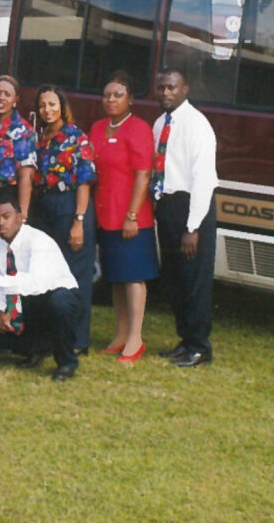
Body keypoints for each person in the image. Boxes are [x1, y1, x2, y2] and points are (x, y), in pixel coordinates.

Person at [0, 196, 85, 381]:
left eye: (7, 216)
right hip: (29, 300)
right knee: (9, 310)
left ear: (20, 217)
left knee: (58, 303)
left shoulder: (38, 241)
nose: (1, 222)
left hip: (61, 296)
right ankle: (35, 350)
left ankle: (66, 362)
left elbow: (35, 284)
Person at [89, 70, 159, 363]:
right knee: (116, 276)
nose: (111, 99)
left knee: (133, 278)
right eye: (107, 95)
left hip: (132, 217)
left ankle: (135, 338)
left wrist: (132, 214)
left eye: (118, 95)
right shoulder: (97, 128)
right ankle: (120, 334)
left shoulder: (139, 128)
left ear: (130, 100)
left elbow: (144, 175)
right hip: (105, 214)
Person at [152, 68, 219, 367]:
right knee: (176, 279)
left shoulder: (197, 125)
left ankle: (200, 347)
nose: (166, 92)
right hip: (167, 207)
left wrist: (192, 227)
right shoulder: (159, 125)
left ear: (185, 90)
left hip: (192, 209)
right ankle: (185, 339)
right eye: (162, 87)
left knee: (195, 281)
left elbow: (203, 178)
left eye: (172, 88)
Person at [32, 84, 98, 355]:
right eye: (42, 105)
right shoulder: (43, 138)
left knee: (75, 273)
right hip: (45, 205)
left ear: (63, 106)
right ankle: (51, 335)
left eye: (52, 104)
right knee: (48, 271)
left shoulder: (76, 138)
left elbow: (84, 182)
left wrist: (79, 220)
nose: (47, 110)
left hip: (71, 205)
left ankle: (77, 340)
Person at [0, 75, 37, 224]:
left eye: (7, 94)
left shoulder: (23, 131)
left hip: (7, 196)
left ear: (15, 99)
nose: (1, 98)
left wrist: (22, 215)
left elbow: (26, 177)